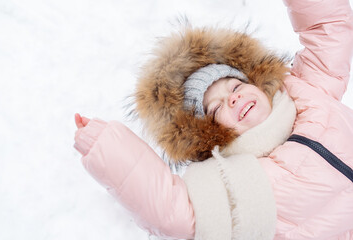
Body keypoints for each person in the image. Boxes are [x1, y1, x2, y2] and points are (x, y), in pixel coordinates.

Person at [74, 0, 353, 239]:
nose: (232, 99)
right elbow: (175, 211)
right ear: (211, 134)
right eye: (216, 108)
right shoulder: (238, 182)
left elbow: (328, 31)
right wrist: (106, 146)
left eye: (235, 86)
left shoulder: (306, 90)